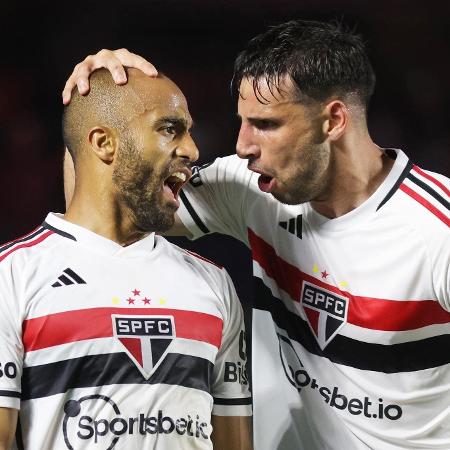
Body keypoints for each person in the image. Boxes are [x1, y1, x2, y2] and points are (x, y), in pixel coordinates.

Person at [62, 20, 450, 450]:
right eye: (243, 122)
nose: (243, 145)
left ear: (334, 120)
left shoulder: (436, 232)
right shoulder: (251, 189)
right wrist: (95, 98)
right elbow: (102, 204)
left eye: (265, 124)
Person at [0, 68, 252, 450]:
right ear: (104, 143)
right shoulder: (13, 276)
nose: (193, 150)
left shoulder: (213, 282)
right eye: (169, 129)